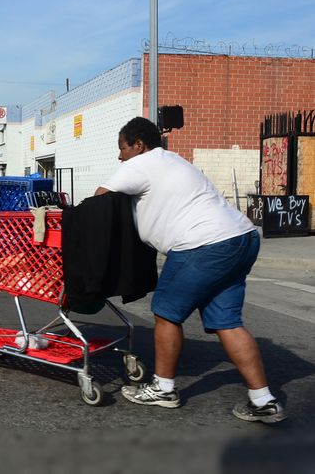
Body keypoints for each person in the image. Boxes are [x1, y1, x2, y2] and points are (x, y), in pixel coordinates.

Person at [95, 117, 285, 423]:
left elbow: (99, 200)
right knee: (228, 321)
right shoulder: (174, 161)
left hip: (203, 243)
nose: (120, 156)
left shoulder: (142, 163)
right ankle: (263, 399)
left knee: (166, 312)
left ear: (139, 144)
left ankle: (164, 389)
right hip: (241, 238)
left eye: (122, 148)